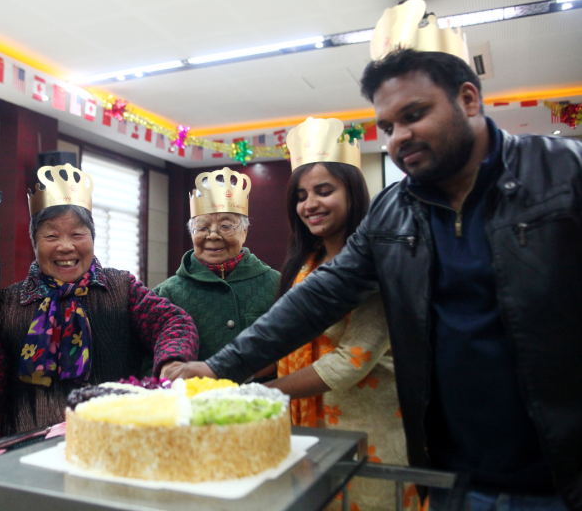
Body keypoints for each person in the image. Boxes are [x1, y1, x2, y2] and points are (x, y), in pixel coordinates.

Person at [166, 48, 582, 510]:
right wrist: (219, 367)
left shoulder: (564, 173)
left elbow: (352, 358)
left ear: (468, 99)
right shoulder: (395, 212)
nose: (399, 137)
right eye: (386, 127)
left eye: (415, 115)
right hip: (453, 472)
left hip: (561, 472)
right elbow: (318, 298)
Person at [0, 164, 198, 442]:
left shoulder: (121, 289)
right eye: (51, 236)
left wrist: (172, 363)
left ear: (92, 238)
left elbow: (172, 321)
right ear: (34, 242)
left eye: (77, 234)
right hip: (28, 451)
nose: (66, 246)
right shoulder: (10, 304)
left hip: (115, 441)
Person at [259, 118, 417, 511]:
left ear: (353, 191)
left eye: (323, 191)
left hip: (364, 431)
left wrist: (264, 394)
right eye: (301, 195)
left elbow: (352, 360)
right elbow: (287, 338)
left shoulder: (375, 263)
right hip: (302, 430)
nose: (309, 204)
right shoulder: (304, 262)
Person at [153, 167, 280, 363]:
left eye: (226, 226)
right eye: (202, 228)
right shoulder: (166, 293)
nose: (212, 235)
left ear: (244, 232)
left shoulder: (277, 284)